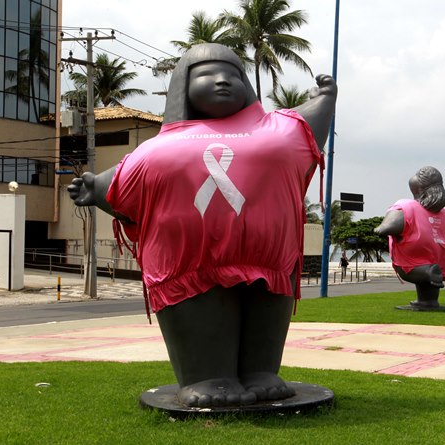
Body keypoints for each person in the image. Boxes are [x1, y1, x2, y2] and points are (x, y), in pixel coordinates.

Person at [67, 43, 337, 408]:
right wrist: (95, 188)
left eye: (232, 74)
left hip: (272, 263)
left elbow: (307, 126)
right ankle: (205, 376)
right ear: (184, 85)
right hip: (189, 266)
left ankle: (261, 372)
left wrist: (325, 99)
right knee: (204, 329)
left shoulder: (279, 129)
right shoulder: (160, 147)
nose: (222, 80)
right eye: (207, 74)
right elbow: (123, 183)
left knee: (265, 325)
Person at [374, 166, 445, 308]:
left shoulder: (406, 207)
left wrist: (379, 229)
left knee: (419, 270)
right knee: (431, 278)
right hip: (442, 259)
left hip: (412, 261)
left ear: (418, 188)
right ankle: (428, 300)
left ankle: (428, 272)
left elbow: (385, 228)